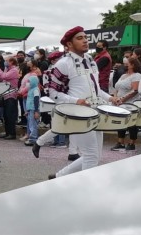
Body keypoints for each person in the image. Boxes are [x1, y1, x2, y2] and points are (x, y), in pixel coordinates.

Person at [47, 27, 117, 180]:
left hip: (94, 112)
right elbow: (53, 93)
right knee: (91, 156)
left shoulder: (91, 61)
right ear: (69, 45)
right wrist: (76, 101)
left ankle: (59, 177)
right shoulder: (63, 64)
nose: (85, 40)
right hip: (77, 115)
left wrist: (110, 98)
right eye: (79, 38)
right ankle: (86, 192)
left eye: (85, 37)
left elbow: (96, 89)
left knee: (95, 156)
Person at [111, 57, 141, 152]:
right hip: (119, 102)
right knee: (120, 122)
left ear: (133, 65)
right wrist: (115, 98)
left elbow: (135, 90)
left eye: (127, 63)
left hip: (130, 103)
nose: (125, 64)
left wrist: (122, 99)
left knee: (131, 123)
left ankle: (132, 142)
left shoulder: (136, 76)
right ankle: (120, 142)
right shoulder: (123, 76)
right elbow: (116, 88)